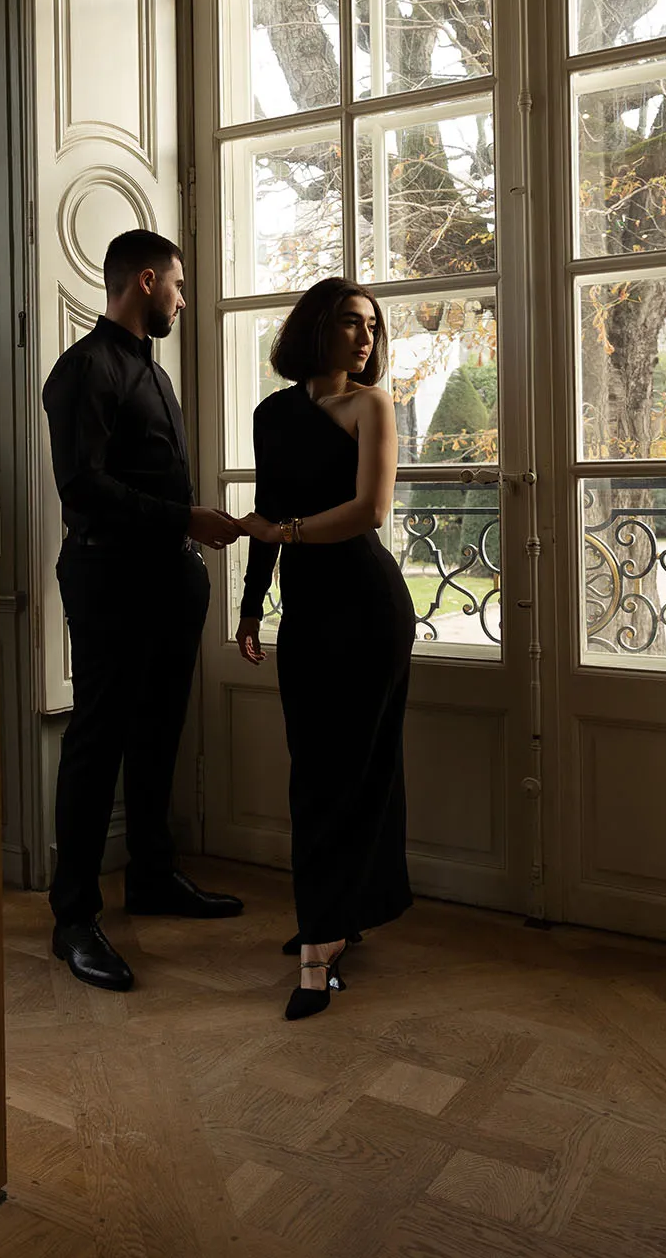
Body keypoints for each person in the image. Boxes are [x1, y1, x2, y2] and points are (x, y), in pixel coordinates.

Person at [42, 229, 243, 992]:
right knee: (97, 742)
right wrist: (185, 519)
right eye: (179, 287)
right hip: (109, 579)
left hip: (166, 581)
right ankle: (72, 918)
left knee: (159, 732)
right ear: (147, 281)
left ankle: (152, 877)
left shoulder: (151, 371)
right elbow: (81, 487)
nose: (184, 302)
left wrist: (184, 544)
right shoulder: (83, 369)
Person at [234, 277, 415, 1021]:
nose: (365, 337)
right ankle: (332, 914)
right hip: (308, 611)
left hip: (369, 610)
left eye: (372, 325)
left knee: (354, 771)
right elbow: (267, 511)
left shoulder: (372, 406)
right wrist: (252, 605)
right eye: (349, 322)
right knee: (314, 769)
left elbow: (370, 510)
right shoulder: (271, 414)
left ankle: (321, 941)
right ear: (315, 329)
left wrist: (286, 534)